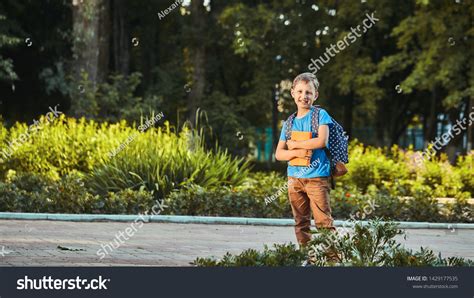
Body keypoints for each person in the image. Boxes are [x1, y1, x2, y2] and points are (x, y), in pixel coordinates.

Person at [275, 72, 335, 247]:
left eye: (308, 92)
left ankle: (332, 261)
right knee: (301, 223)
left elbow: (321, 140)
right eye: (300, 91)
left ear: (315, 95)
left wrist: (295, 145)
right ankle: (307, 256)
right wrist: (297, 153)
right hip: (294, 179)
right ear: (292, 92)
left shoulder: (320, 115)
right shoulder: (289, 123)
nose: (304, 96)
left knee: (324, 222)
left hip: (316, 178)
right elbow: (279, 154)